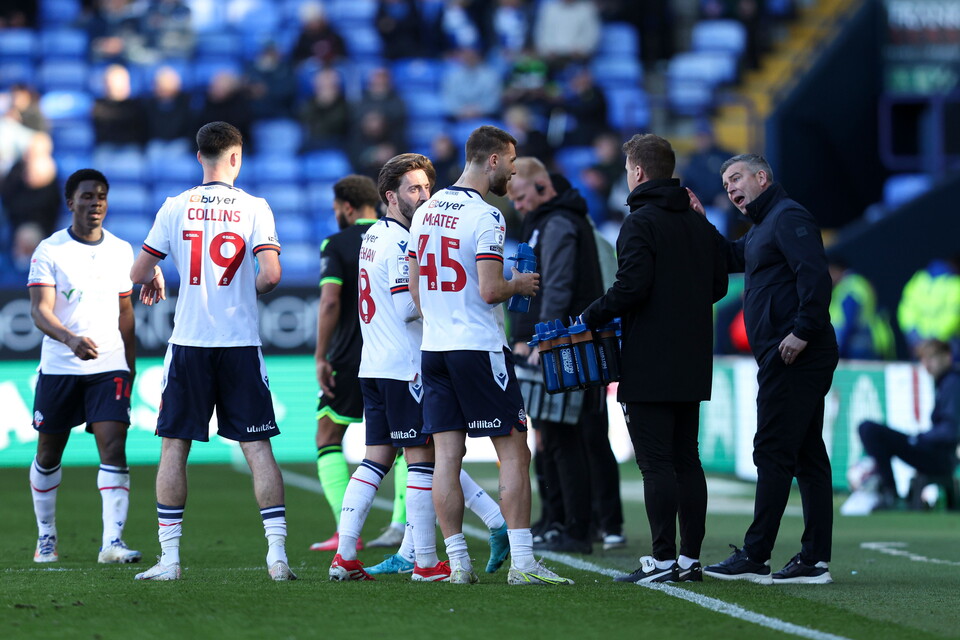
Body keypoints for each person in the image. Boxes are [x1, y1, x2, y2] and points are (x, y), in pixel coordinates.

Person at [328, 153, 509, 582]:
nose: (425, 195)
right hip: (406, 367)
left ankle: (347, 554)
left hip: (375, 365)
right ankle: (427, 561)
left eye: (428, 187)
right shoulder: (400, 242)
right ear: (391, 196)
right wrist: (449, 300)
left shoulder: (373, 236)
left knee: (381, 461)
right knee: (428, 461)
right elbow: (407, 306)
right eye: (414, 189)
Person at [129, 121, 294, 582]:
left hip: (190, 344)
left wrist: (157, 275)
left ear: (199, 157)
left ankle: (170, 560)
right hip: (239, 342)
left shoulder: (175, 206)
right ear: (236, 158)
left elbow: (139, 271)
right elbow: (272, 274)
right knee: (258, 448)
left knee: (174, 449)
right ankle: (277, 556)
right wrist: (251, 287)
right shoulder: (255, 207)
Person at [408, 124, 572, 585]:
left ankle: (458, 563)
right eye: (512, 162)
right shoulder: (487, 216)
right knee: (516, 452)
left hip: (434, 348)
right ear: (494, 160)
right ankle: (523, 562)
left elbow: (415, 286)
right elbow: (489, 290)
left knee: (446, 457)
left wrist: (438, 320)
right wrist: (519, 284)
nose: (514, 173)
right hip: (477, 348)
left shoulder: (425, 210)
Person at [579, 135, 728, 582]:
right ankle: (688, 560)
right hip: (694, 357)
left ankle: (662, 560)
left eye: (627, 168)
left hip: (649, 358)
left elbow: (631, 288)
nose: (627, 175)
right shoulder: (699, 224)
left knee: (656, 463)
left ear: (639, 172)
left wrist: (590, 315)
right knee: (687, 459)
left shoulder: (640, 222)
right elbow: (719, 286)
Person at [701, 153, 839, 585]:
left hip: (795, 354)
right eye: (726, 184)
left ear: (762, 177)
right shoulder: (763, 226)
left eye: (737, 178)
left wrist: (802, 331)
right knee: (806, 455)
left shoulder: (788, 216)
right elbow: (729, 256)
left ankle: (757, 553)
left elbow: (815, 275)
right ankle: (813, 559)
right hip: (786, 355)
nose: (731, 188)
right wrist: (700, 219)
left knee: (774, 449)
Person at [507, 157, 624, 555]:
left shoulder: (558, 223)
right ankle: (560, 521)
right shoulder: (545, 221)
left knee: (565, 437)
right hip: (562, 340)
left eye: (521, 196)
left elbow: (556, 284)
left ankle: (578, 526)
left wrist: (543, 338)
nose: (518, 205)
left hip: (568, 344)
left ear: (542, 187)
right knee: (555, 437)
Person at [26, 168, 141, 565]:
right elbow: (40, 312)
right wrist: (70, 339)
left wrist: (130, 364)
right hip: (60, 366)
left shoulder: (122, 250)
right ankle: (46, 537)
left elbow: (126, 312)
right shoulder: (50, 250)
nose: (96, 203)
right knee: (48, 453)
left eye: (102, 196)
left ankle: (112, 542)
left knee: (114, 446)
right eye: (88, 196)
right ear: (70, 202)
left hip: (108, 365)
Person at [311, 175, 403, 552]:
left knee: (327, 435)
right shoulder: (398, 233)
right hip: (395, 353)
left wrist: (321, 354)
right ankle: (401, 525)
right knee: (406, 438)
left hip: (351, 355)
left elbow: (330, 301)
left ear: (347, 207)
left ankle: (344, 528)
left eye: (336, 209)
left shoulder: (337, 243)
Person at [859, 339, 960, 509]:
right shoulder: (946, 383)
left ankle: (890, 492)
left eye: (931, 358)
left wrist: (920, 438)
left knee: (870, 430)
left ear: (947, 357)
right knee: (872, 431)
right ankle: (889, 490)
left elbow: (950, 431)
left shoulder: (952, 383)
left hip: (940, 456)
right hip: (938, 453)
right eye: (924, 360)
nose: (927, 365)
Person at [829, 259, 894, 360]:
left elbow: (849, 322)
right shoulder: (860, 282)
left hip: (855, 344)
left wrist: (837, 348)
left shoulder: (848, 287)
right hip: (868, 340)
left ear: (836, 270)